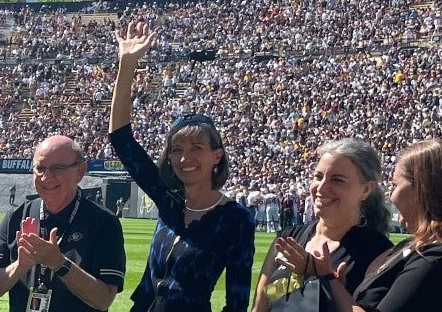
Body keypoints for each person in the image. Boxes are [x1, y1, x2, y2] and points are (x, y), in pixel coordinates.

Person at [109, 21, 255, 312]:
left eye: (196, 149)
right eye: (177, 150)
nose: (185, 159)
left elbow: (236, 303)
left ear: (217, 156)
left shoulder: (235, 220)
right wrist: (126, 66)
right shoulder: (169, 200)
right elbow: (122, 140)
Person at [0, 135, 126, 311]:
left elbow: (103, 300)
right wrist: (20, 266)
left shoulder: (104, 222)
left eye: (57, 168)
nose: (46, 177)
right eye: (40, 168)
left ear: (80, 171)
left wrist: (59, 263)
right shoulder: (16, 216)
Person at [250, 138, 392, 312]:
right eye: (318, 176)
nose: (321, 187)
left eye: (337, 180)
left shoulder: (378, 251)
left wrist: (326, 281)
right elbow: (264, 302)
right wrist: (299, 281)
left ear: (366, 189)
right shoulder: (289, 238)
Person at [319, 139, 442, 311]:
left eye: (395, 185)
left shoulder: (432, 258)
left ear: (421, 189)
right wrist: (338, 290)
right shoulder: (411, 247)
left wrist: (327, 278)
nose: (391, 197)